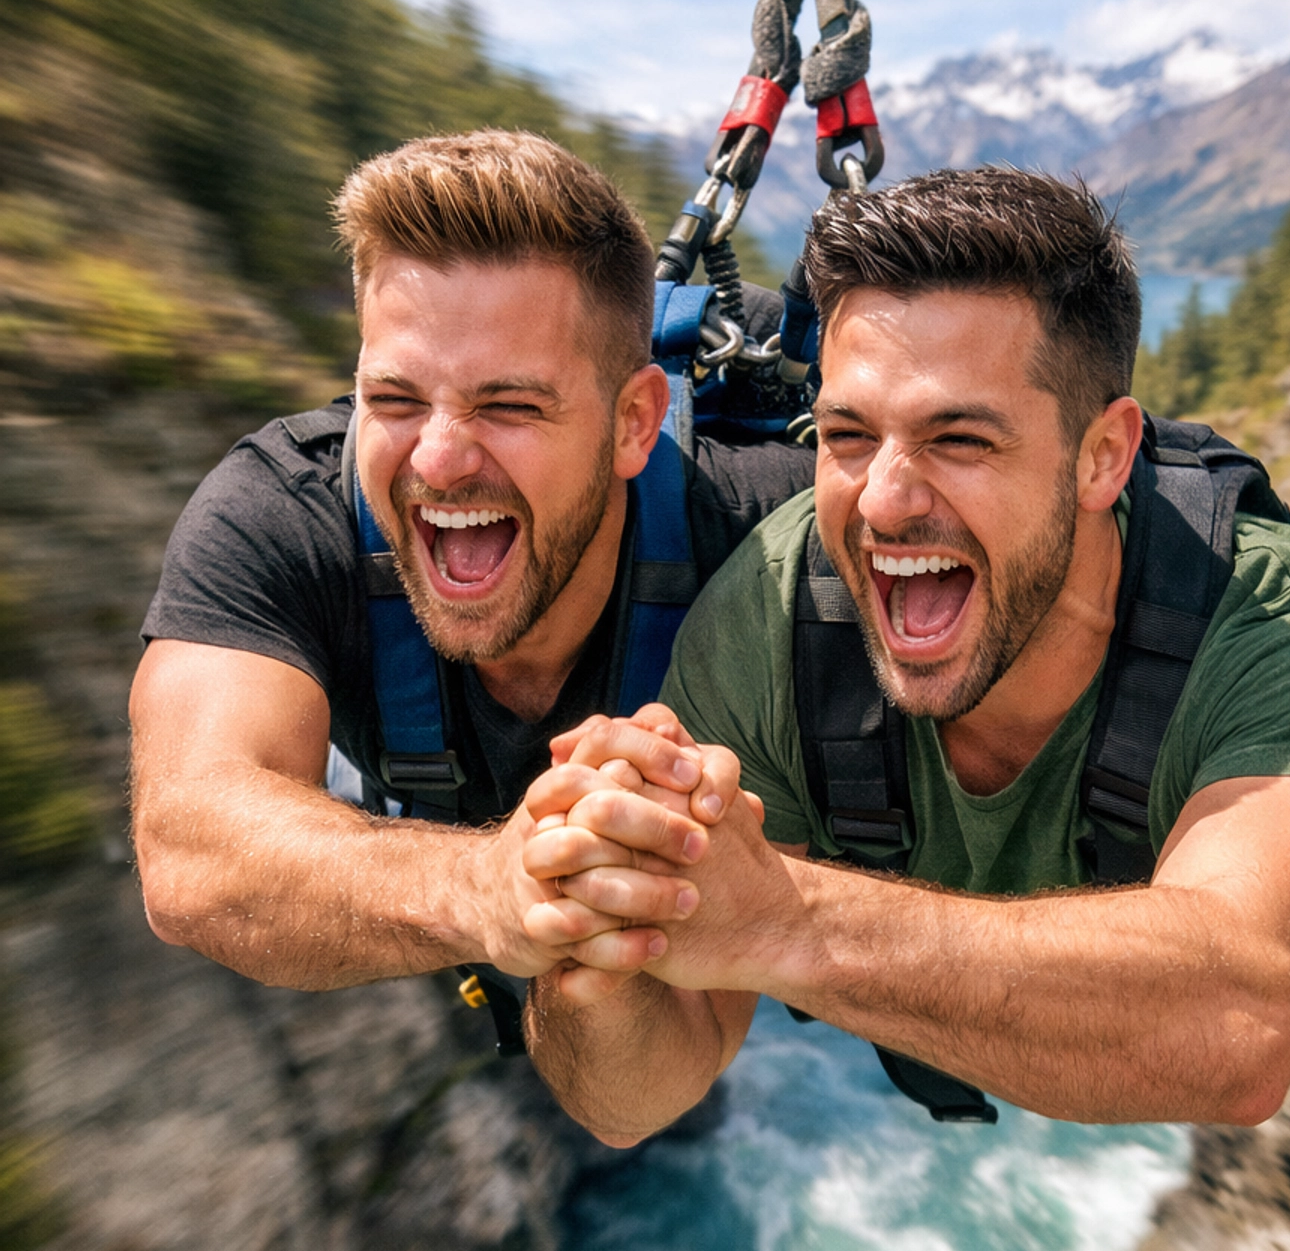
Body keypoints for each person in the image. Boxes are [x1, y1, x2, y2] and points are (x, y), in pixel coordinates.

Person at [510, 168, 1290, 1144]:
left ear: (1103, 456)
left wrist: (784, 922)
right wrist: (603, 941)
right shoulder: (770, 619)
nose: (883, 502)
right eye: (848, 435)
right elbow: (625, 1105)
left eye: (959, 439)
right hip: (1003, 965)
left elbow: (1242, 1026)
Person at [130, 130, 813, 1003]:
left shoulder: (773, 536)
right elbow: (189, 848)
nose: (440, 459)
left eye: (510, 405)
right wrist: (488, 889)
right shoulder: (280, 515)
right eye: (394, 399)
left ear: (634, 423)